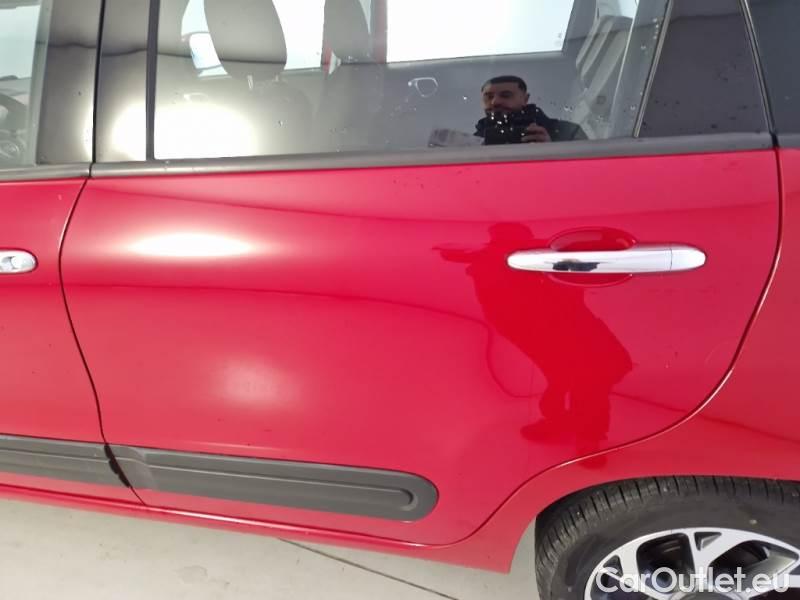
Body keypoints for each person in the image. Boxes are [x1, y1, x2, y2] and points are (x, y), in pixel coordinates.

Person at [475, 75, 586, 144]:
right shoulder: (471, 142)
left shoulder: (568, 132)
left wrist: (552, 150)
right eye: (489, 97)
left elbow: (587, 170)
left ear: (525, 99)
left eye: (506, 95)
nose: (495, 102)